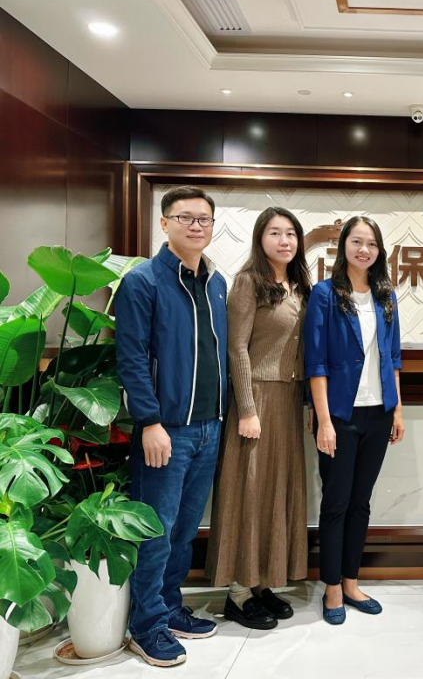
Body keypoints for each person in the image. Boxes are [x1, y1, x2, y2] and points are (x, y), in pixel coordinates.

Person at [115, 186, 228, 667]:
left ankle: (170, 608)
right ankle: (145, 627)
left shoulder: (216, 283)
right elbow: (132, 358)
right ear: (164, 223)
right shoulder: (143, 281)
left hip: (208, 427)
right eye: (186, 217)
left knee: (183, 530)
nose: (196, 226)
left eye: (204, 219)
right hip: (166, 429)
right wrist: (149, 421)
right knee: (156, 532)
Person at [206, 207, 312, 630]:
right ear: (260, 238)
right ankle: (237, 592)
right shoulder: (248, 282)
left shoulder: (300, 285)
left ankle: (261, 582)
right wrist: (247, 408)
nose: (284, 241)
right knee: (248, 491)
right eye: (275, 233)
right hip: (257, 401)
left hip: (288, 400)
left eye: (291, 234)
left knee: (276, 491)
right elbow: (237, 348)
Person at [304, 215, 405, 625]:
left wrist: (397, 409)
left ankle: (350, 581)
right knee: (336, 503)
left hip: (378, 414)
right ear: (343, 245)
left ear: (380, 251)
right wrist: (323, 421)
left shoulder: (386, 295)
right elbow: (316, 362)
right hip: (340, 416)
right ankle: (331, 587)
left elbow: (393, 357)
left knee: (361, 503)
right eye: (357, 241)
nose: (364, 250)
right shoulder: (325, 294)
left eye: (372, 244)